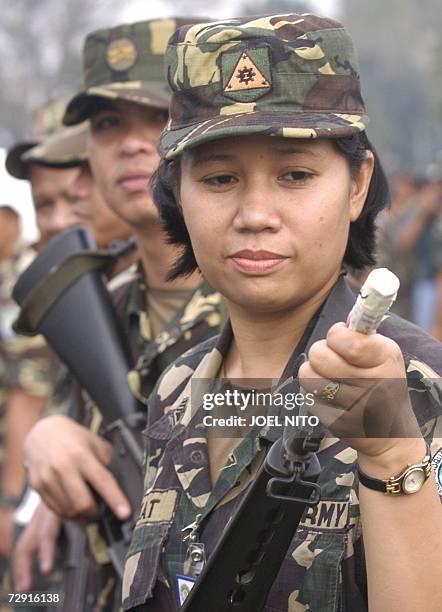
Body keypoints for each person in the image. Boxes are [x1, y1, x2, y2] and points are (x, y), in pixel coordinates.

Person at [122, 14, 442, 611]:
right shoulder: (179, 385)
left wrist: (394, 457)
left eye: (295, 175)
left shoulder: (421, 388)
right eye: (219, 179)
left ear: (356, 184)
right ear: (176, 193)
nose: (255, 214)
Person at [21, 18, 223, 611]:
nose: (132, 144)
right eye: (109, 125)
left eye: (156, 116)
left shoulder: (278, 302)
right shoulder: (94, 305)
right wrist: (47, 443)